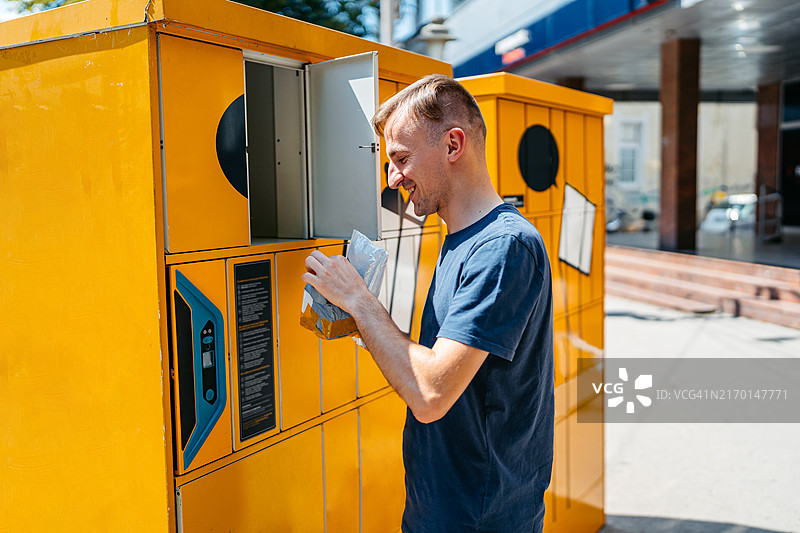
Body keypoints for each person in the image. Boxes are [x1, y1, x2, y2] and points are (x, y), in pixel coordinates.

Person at [303, 74, 554, 532]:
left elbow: (431, 394)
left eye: (401, 159)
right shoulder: (462, 238)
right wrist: (362, 324)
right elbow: (439, 364)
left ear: (453, 145)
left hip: (479, 515)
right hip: (446, 505)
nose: (394, 178)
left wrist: (361, 301)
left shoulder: (504, 248)